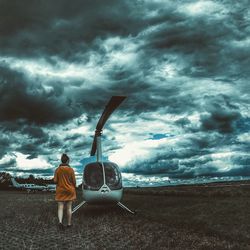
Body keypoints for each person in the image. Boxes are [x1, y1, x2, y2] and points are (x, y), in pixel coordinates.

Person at [54, 153, 76, 230]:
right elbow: (74, 181)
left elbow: (55, 181)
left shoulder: (57, 170)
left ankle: (60, 222)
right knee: (69, 208)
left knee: (60, 207)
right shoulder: (71, 170)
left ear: (61, 161)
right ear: (67, 161)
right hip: (70, 190)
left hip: (60, 190)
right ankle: (69, 224)